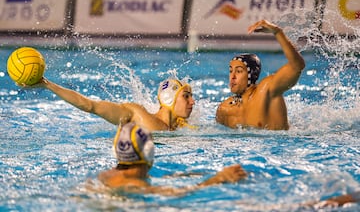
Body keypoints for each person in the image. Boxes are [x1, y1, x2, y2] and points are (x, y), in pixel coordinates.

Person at [95, 122, 247, 196]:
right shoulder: (134, 185)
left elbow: (152, 179)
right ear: (149, 152)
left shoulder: (108, 175)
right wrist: (217, 180)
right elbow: (175, 193)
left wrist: (189, 175)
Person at [216, 19, 305, 130]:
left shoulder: (267, 90)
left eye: (238, 71)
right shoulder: (224, 109)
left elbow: (297, 66)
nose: (232, 76)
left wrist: (278, 33)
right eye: (230, 71)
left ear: (251, 75)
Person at [23, 77, 195, 131]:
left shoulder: (182, 128)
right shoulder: (137, 114)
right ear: (168, 98)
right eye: (186, 96)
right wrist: (47, 84)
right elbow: (90, 106)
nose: (192, 101)